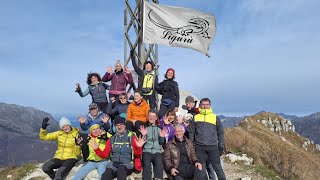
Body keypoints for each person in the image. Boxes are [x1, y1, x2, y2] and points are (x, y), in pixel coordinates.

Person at [188, 98, 226, 180]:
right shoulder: (195, 117)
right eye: (203, 104)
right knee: (201, 171)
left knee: (218, 169)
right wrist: (191, 146)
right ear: (200, 105)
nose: (205, 106)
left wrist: (221, 145)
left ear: (210, 105)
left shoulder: (215, 117)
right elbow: (191, 133)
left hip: (213, 147)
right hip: (199, 147)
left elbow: (221, 133)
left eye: (207, 104)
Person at [139, 110, 166, 180]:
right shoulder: (144, 127)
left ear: (156, 118)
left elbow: (162, 143)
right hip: (146, 151)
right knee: (147, 166)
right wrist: (143, 135)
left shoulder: (159, 128)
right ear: (148, 117)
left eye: (153, 116)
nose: (152, 118)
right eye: (150, 116)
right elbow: (141, 143)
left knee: (159, 165)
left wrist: (162, 137)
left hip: (157, 151)